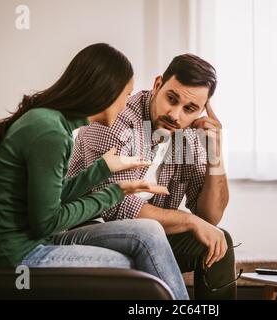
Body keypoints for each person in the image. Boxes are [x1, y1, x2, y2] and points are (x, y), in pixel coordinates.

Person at [0, 43, 189, 300]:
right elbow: (46, 222)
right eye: (125, 95)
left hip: (34, 242)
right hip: (16, 258)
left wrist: (102, 169)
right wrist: (114, 193)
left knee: (149, 231)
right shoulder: (49, 131)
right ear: (107, 92)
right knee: (128, 265)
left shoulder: (52, 123)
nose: (127, 103)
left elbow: (54, 197)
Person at [68, 53, 237, 299]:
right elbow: (117, 207)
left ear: (201, 111)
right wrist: (189, 221)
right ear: (158, 84)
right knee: (150, 233)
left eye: (189, 109)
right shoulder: (117, 120)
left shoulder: (187, 135)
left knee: (219, 241)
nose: (175, 115)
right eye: (171, 98)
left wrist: (215, 155)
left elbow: (210, 216)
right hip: (89, 229)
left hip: (148, 237)